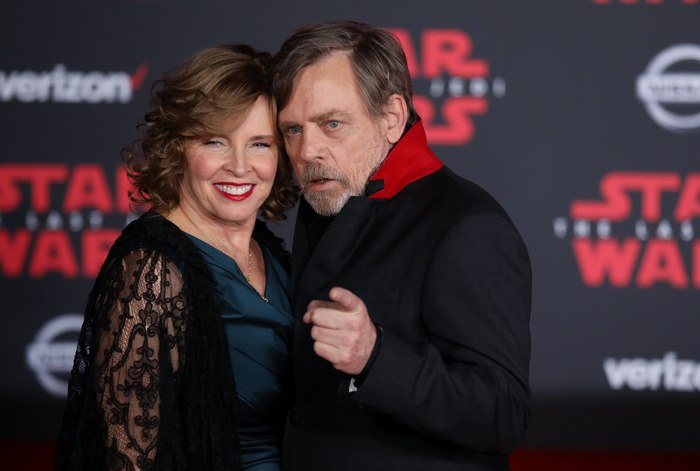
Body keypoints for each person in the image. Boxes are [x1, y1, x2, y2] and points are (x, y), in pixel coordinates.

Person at [272, 20, 532, 470]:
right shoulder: (331, 195)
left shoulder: (468, 225)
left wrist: (375, 358)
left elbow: (504, 413)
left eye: (332, 123)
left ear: (391, 117)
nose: (308, 150)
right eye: (292, 130)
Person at [54, 44, 297, 471]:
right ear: (178, 146)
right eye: (215, 141)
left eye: (260, 144)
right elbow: (129, 459)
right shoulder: (153, 268)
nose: (240, 166)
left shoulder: (272, 254)